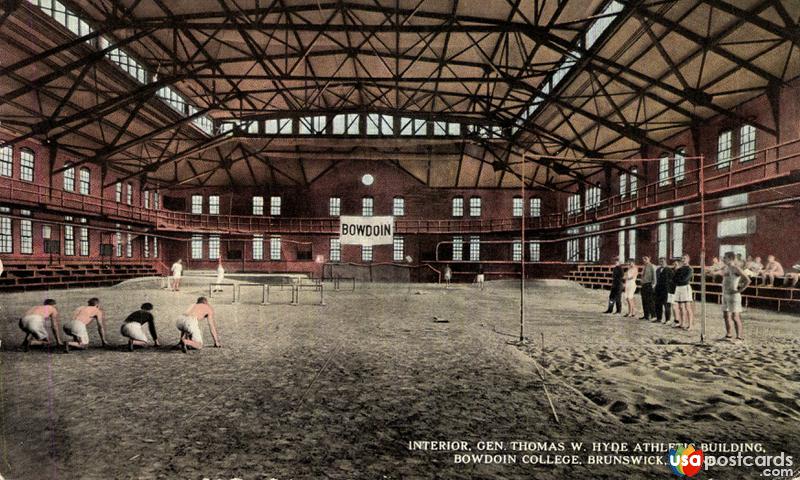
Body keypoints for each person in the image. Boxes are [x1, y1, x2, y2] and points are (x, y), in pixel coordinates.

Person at [721, 252, 750, 343]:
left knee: (735, 316)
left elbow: (748, 280)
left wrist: (739, 290)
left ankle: (739, 337)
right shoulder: (726, 268)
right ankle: (728, 335)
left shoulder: (736, 268)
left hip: (733, 295)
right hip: (725, 294)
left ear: (730, 258)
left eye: (725, 257)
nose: (723, 259)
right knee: (726, 315)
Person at [673, 255, 695, 330]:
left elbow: (685, 279)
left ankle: (690, 325)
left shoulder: (689, 269)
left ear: (688, 260)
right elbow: (674, 278)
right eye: (682, 258)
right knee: (680, 307)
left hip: (685, 287)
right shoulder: (679, 269)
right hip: (678, 288)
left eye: (684, 258)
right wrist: (678, 279)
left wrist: (678, 279)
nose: (683, 260)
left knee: (687, 307)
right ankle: (682, 323)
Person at [654, 257, 674, 324]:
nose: (661, 263)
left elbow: (672, 281)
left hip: (666, 290)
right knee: (658, 304)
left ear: (665, 262)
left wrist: (670, 290)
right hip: (658, 290)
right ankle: (659, 318)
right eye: (660, 261)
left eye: (662, 261)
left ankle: (667, 320)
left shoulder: (669, 270)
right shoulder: (658, 270)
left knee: (667, 305)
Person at [639, 256, 656, 320]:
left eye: (646, 259)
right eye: (643, 259)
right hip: (644, 285)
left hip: (649, 284)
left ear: (649, 259)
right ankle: (646, 315)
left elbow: (654, 276)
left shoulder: (652, 266)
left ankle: (653, 316)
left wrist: (653, 285)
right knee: (644, 301)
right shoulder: (644, 267)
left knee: (650, 301)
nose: (644, 260)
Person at [670, 258, 682, 327]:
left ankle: (678, 320)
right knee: (673, 306)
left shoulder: (680, 272)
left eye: (676, 264)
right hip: (671, 290)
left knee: (676, 307)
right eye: (673, 264)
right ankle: (675, 319)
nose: (674, 265)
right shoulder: (672, 271)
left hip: (677, 290)